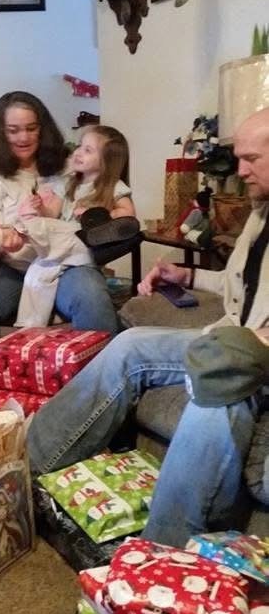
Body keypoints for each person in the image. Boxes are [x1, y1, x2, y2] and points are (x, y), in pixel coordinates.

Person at [28, 107, 269, 547]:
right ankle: (28, 465)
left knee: (216, 391)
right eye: (238, 157)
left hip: (252, 360)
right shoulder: (260, 213)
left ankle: (163, 554)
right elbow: (244, 289)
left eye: (251, 159)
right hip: (230, 340)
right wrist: (187, 275)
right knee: (130, 344)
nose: (240, 170)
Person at [0, 92, 119, 337]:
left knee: (92, 297)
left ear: (43, 129)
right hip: (8, 268)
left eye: (31, 129)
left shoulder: (70, 166)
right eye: (13, 131)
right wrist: (0, 245)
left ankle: (102, 362)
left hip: (64, 265)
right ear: (0, 133)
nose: (23, 137)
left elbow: (105, 183)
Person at [12, 124, 139, 327]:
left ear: (106, 161)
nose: (78, 152)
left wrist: (98, 215)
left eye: (88, 150)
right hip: (61, 246)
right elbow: (52, 214)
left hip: (82, 245)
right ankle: (35, 322)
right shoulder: (68, 183)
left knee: (52, 234)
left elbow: (129, 214)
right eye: (80, 146)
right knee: (36, 273)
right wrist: (40, 207)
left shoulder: (113, 186)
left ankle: (21, 231)